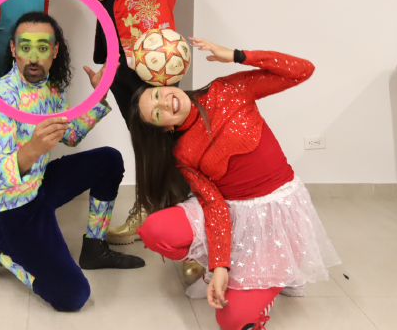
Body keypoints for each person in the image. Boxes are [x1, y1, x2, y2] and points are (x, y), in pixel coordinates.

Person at [131, 38, 340, 330]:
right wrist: (219, 266)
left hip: (274, 217)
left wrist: (239, 55)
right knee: (154, 230)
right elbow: (214, 205)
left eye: (156, 94)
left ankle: (277, 275)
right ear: (165, 127)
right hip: (229, 211)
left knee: (233, 321)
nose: (163, 102)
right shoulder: (183, 152)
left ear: (165, 84)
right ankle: (228, 270)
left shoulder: (226, 90)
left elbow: (302, 70)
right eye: (157, 113)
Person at [0, 11, 145, 311]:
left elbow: (70, 136)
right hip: (6, 208)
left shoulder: (51, 88)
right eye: (25, 47)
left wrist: (100, 95)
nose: (34, 57)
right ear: (13, 49)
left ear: (55, 51)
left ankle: (95, 247)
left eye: (43, 47)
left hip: (39, 186)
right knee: (73, 296)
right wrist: (32, 149)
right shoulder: (4, 96)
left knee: (109, 161)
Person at [90, 0, 190, 247]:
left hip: (152, 58)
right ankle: (152, 208)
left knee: (166, 139)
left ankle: (184, 221)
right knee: (141, 135)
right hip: (117, 54)